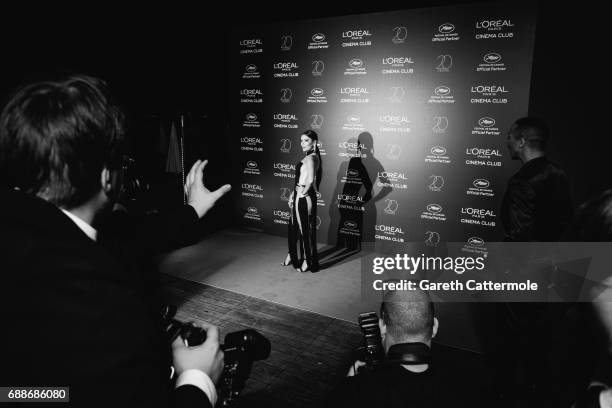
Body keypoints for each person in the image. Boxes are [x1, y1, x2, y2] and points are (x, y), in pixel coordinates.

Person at [0, 75, 231, 407]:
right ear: (109, 178)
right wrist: (197, 380)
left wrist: (192, 210)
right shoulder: (100, 306)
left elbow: (134, 234)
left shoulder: (26, 231)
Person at [501, 116, 573, 241]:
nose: (507, 142)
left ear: (521, 142)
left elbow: (520, 236)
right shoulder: (558, 171)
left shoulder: (520, 182)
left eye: (509, 137)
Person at [282, 129, 321, 272]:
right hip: (299, 195)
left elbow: (310, 179)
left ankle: (307, 262)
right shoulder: (310, 157)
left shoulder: (311, 158)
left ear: (314, 142)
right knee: (294, 227)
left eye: (306, 140)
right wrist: (293, 194)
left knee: (305, 231)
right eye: (301, 140)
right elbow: (302, 179)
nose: (302, 143)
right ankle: (292, 255)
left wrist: (302, 193)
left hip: (304, 198)